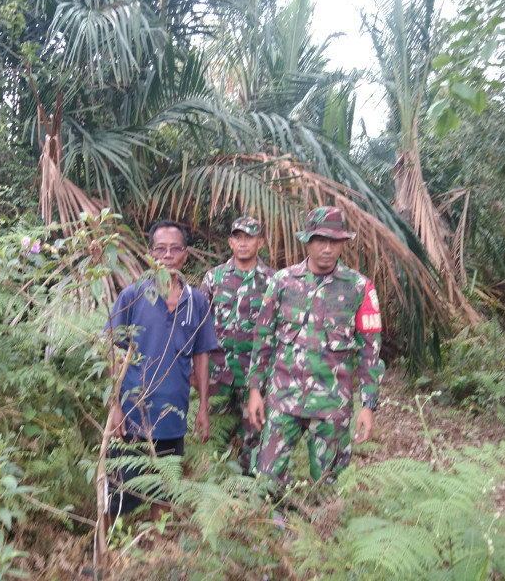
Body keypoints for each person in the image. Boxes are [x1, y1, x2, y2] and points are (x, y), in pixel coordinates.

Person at [246, 206, 385, 486]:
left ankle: (320, 526)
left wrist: (368, 405)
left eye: (335, 241)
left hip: (332, 404)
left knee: (328, 485)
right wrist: (254, 390)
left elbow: (370, 351)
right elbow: (263, 338)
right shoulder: (282, 282)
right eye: (320, 239)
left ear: (343, 243)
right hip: (283, 399)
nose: (327, 248)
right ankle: (271, 524)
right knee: (266, 479)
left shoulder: (360, 288)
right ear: (307, 240)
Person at [104, 220, 217, 520]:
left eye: (175, 248)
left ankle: (157, 553)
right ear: (150, 253)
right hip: (131, 417)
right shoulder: (132, 296)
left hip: (172, 417)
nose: (167, 255)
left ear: (186, 253)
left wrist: (203, 407)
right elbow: (113, 353)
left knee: (164, 493)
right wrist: (115, 406)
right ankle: (107, 558)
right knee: (116, 498)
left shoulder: (197, 302)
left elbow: (202, 356)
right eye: (160, 248)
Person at [200, 216, 275, 471]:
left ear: (260, 242)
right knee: (213, 436)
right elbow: (201, 324)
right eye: (238, 238)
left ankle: (249, 489)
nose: (243, 243)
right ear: (231, 242)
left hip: (254, 374)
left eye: (250, 237)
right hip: (217, 373)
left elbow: (277, 329)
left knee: (253, 435)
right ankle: (213, 489)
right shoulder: (214, 278)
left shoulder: (273, 281)